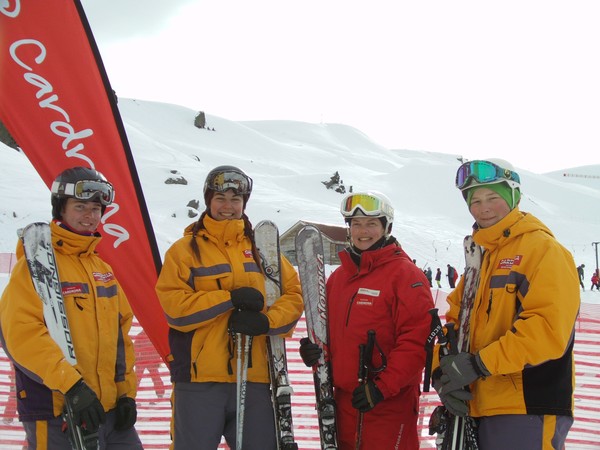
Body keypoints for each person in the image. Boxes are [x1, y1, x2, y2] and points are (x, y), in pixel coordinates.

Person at [433, 159, 580, 449]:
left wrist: (479, 365)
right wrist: (443, 374)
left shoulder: (543, 250)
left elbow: (547, 331)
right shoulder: (480, 260)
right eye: (474, 201)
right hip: (475, 407)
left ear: (514, 197)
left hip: (527, 408)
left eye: (493, 198)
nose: (483, 207)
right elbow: (453, 324)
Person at [155, 165, 303, 450]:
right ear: (209, 200)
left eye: (236, 199)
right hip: (199, 380)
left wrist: (267, 322)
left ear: (244, 204)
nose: (228, 206)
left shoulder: (263, 249)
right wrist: (229, 298)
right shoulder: (184, 251)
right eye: (220, 198)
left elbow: (293, 295)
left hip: (256, 378)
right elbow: (175, 308)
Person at [0, 167, 142, 449]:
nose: (89, 216)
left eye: (95, 209)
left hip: (108, 410)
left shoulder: (101, 268)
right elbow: (19, 334)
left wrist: (126, 393)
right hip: (57, 407)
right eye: (80, 207)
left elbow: (120, 337)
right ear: (61, 209)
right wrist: (72, 387)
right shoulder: (38, 266)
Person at [299, 191, 434, 449]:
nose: (363, 231)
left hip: (387, 404)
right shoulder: (339, 277)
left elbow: (416, 341)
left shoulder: (405, 275)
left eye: (372, 223)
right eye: (356, 224)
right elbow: (327, 330)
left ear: (386, 227)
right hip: (341, 404)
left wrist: (383, 388)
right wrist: (314, 351)